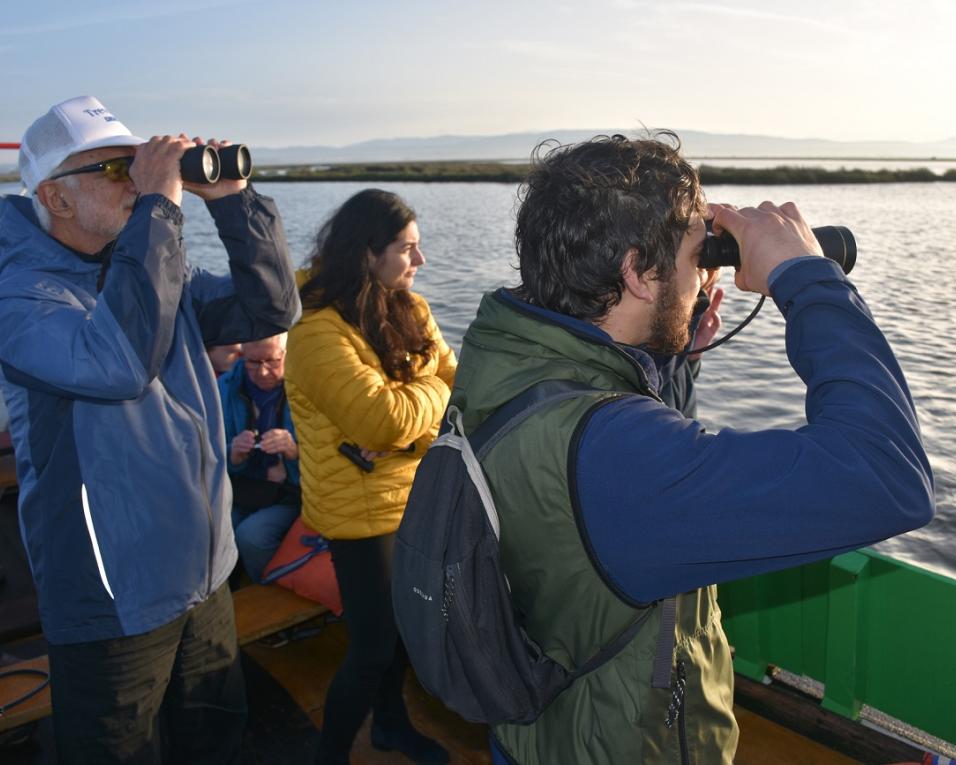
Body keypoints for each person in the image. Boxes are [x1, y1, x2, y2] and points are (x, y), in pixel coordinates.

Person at [446, 134, 935, 765]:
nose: (706, 274)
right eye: (696, 256)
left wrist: (670, 363)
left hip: (542, 734)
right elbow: (887, 471)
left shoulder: (506, 367)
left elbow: (591, 525)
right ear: (634, 274)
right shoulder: (618, 455)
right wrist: (805, 277)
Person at [0, 96, 300, 763]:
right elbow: (120, 363)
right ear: (56, 196)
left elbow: (271, 307)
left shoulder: (150, 267)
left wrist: (230, 201)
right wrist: (160, 210)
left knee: (215, 740)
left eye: (137, 164)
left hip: (204, 570)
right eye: (114, 167)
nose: (135, 179)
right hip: (114, 598)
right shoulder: (19, 295)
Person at [284, 189, 457, 765]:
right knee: (373, 647)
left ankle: (390, 726)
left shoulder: (409, 307)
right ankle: (329, 754)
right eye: (408, 249)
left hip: (413, 496)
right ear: (367, 253)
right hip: (358, 515)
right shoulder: (314, 332)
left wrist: (419, 396)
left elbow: (462, 375)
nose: (420, 261)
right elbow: (383, 420)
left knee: (404, 634)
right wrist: (431, 389)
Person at [218, 332, 300, 582]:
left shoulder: (305, 387)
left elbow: (329, 457)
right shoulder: (226, 388)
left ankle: (269, 596)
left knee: (252, 536)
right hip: (244, 488)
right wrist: (232, 453)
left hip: (293, 493)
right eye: (253, 362)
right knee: (214, 532)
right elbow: (205, 453)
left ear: (287, 355)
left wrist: (294, 452)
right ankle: (228, 597)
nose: (263, 372)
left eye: (272, 362)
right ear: (241, 355)